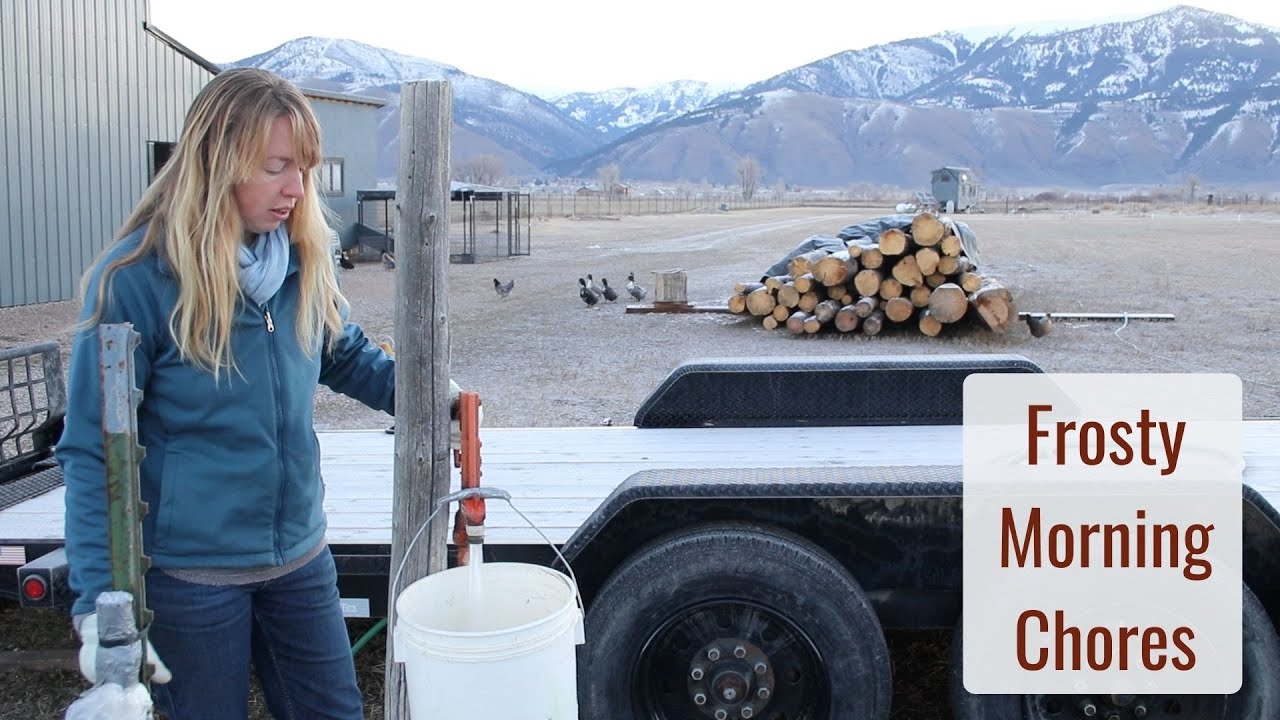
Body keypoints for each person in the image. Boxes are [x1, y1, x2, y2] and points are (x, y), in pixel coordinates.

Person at [56, 68, 454, 718]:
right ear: (218, 162)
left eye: (303, 168)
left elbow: (342, 354)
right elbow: (93, 455)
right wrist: (104, 612)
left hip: (299, 561)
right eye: (276, 167)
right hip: (191, 579)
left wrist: (430, 391)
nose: (297, 190)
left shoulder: (299, 259)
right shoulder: (137, 281)